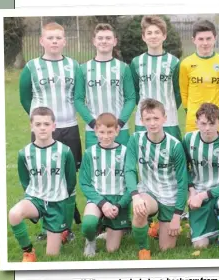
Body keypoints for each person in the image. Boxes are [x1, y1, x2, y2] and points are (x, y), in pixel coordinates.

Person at [19, 22, 81, 243]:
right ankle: (48, 227)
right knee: (44, 178)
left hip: (69, 128)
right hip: (44, 131)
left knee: (68, 178)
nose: (54, 41)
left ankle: (67, 225)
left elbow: (78, 95)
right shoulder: (31, 66)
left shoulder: (73, 65)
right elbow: (25, 97)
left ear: (64, 41)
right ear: (41, 41)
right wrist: (41, 122)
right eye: (50, 37)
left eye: (58, 38)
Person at [8, 107, 76, 262]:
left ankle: (59, 232)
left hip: (57, 204)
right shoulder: (24, 153)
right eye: (38, 124)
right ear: (31, 126)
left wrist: (60, 196)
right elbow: (24, 179)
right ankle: (28, 252)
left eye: (46, 124)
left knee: (52, 256)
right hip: (35, 199)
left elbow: (71, 180)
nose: (42, 127)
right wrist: (33, 195)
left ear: (54, 126)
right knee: (14, 214)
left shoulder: (64, 151)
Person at [124, 98, 188, 260]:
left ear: (165, 118)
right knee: (140, 209)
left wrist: (177, 216)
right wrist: (135, 196)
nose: (152, 123)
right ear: (141, 120)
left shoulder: (175, 146)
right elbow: (129, 170)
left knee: (166, 249)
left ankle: (159, 225)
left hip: (169, 196)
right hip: (148, 191)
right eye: (148, 119)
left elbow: (182, 182)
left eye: (156, 118)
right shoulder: (136, 140)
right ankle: (143, 249)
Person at [182, 103, 219, 253]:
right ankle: (216, 222)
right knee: (200, 246)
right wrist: (192, 191)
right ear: (196, 123)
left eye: (212, 123)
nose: (207, 128)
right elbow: (183, 169)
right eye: (203, 123)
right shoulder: (188, 139)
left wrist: (203, 195)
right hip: (197, 192)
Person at [75, 23, 136, 148]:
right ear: (94, 41)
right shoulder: (83, 69)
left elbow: (130, 99)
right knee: (96, 166)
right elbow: (78, 100)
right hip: (94, 131)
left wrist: (120, 123)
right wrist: (93, 124)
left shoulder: (123, 68)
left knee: (122, 166)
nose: (104, 41)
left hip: (120, 130)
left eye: (108, 38)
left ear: (114, 41)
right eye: (100, 38)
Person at [79, 113, 131, 257]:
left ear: (117, 131)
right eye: (102, 132)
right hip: (97, 199)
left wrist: (119, 205)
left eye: (110, 132)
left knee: (112, 250)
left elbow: (131, 184)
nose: (106, 136)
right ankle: (90, 240)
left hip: (118, 202)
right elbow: (84, 183)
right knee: (88, 224)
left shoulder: (126, 152)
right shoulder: (90, 153)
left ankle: (108, 229)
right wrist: (103, 203)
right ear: (95, 131)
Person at [130, 15, 181, 140]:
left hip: (168, 119)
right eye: (149, 33)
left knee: (170, 156)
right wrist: (147, 110)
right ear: (143, 37)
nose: (153, 36)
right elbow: (135, 91)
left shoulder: (174, 61)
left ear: (164, 36)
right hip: (144, 121)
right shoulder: (136, 62)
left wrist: (166, 109)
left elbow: (178, 92)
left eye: (157, 32)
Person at [179, 19, 219, 133]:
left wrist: (218, 112)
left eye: (208, 38)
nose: (205, 43)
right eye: (201, 39)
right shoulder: (186, 64)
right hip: (194, 122)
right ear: (193, 40)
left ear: (215, 38)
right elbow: (184, 94)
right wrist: (192, 113)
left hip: (218, 120)